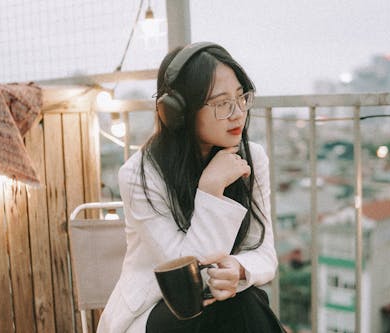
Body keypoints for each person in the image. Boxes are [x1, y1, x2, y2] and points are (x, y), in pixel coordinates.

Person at [97, 41, 284, 333]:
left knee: (241, 301)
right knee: (237, 307)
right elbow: (186, 278)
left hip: (224, 306)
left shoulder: (252, 158)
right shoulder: (139, 175)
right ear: (179, 112)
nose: (237, 113)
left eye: (241, 97)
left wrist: (238, 269)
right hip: (156, 310)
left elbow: (264, 253)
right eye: (222, 103)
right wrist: (210, 189)